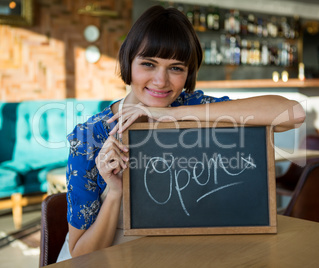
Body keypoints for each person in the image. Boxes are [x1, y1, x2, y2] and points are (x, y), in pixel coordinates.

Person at [57, 5, 305, 262]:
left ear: (188, 74)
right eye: (148, 64)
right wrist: (115, 192)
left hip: (183, 254)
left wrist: (173, 115)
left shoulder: (192, 106)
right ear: (128, 63)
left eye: (176, 68)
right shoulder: (88, 137)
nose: (161, 81)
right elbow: (81, 254)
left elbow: (293, 114)